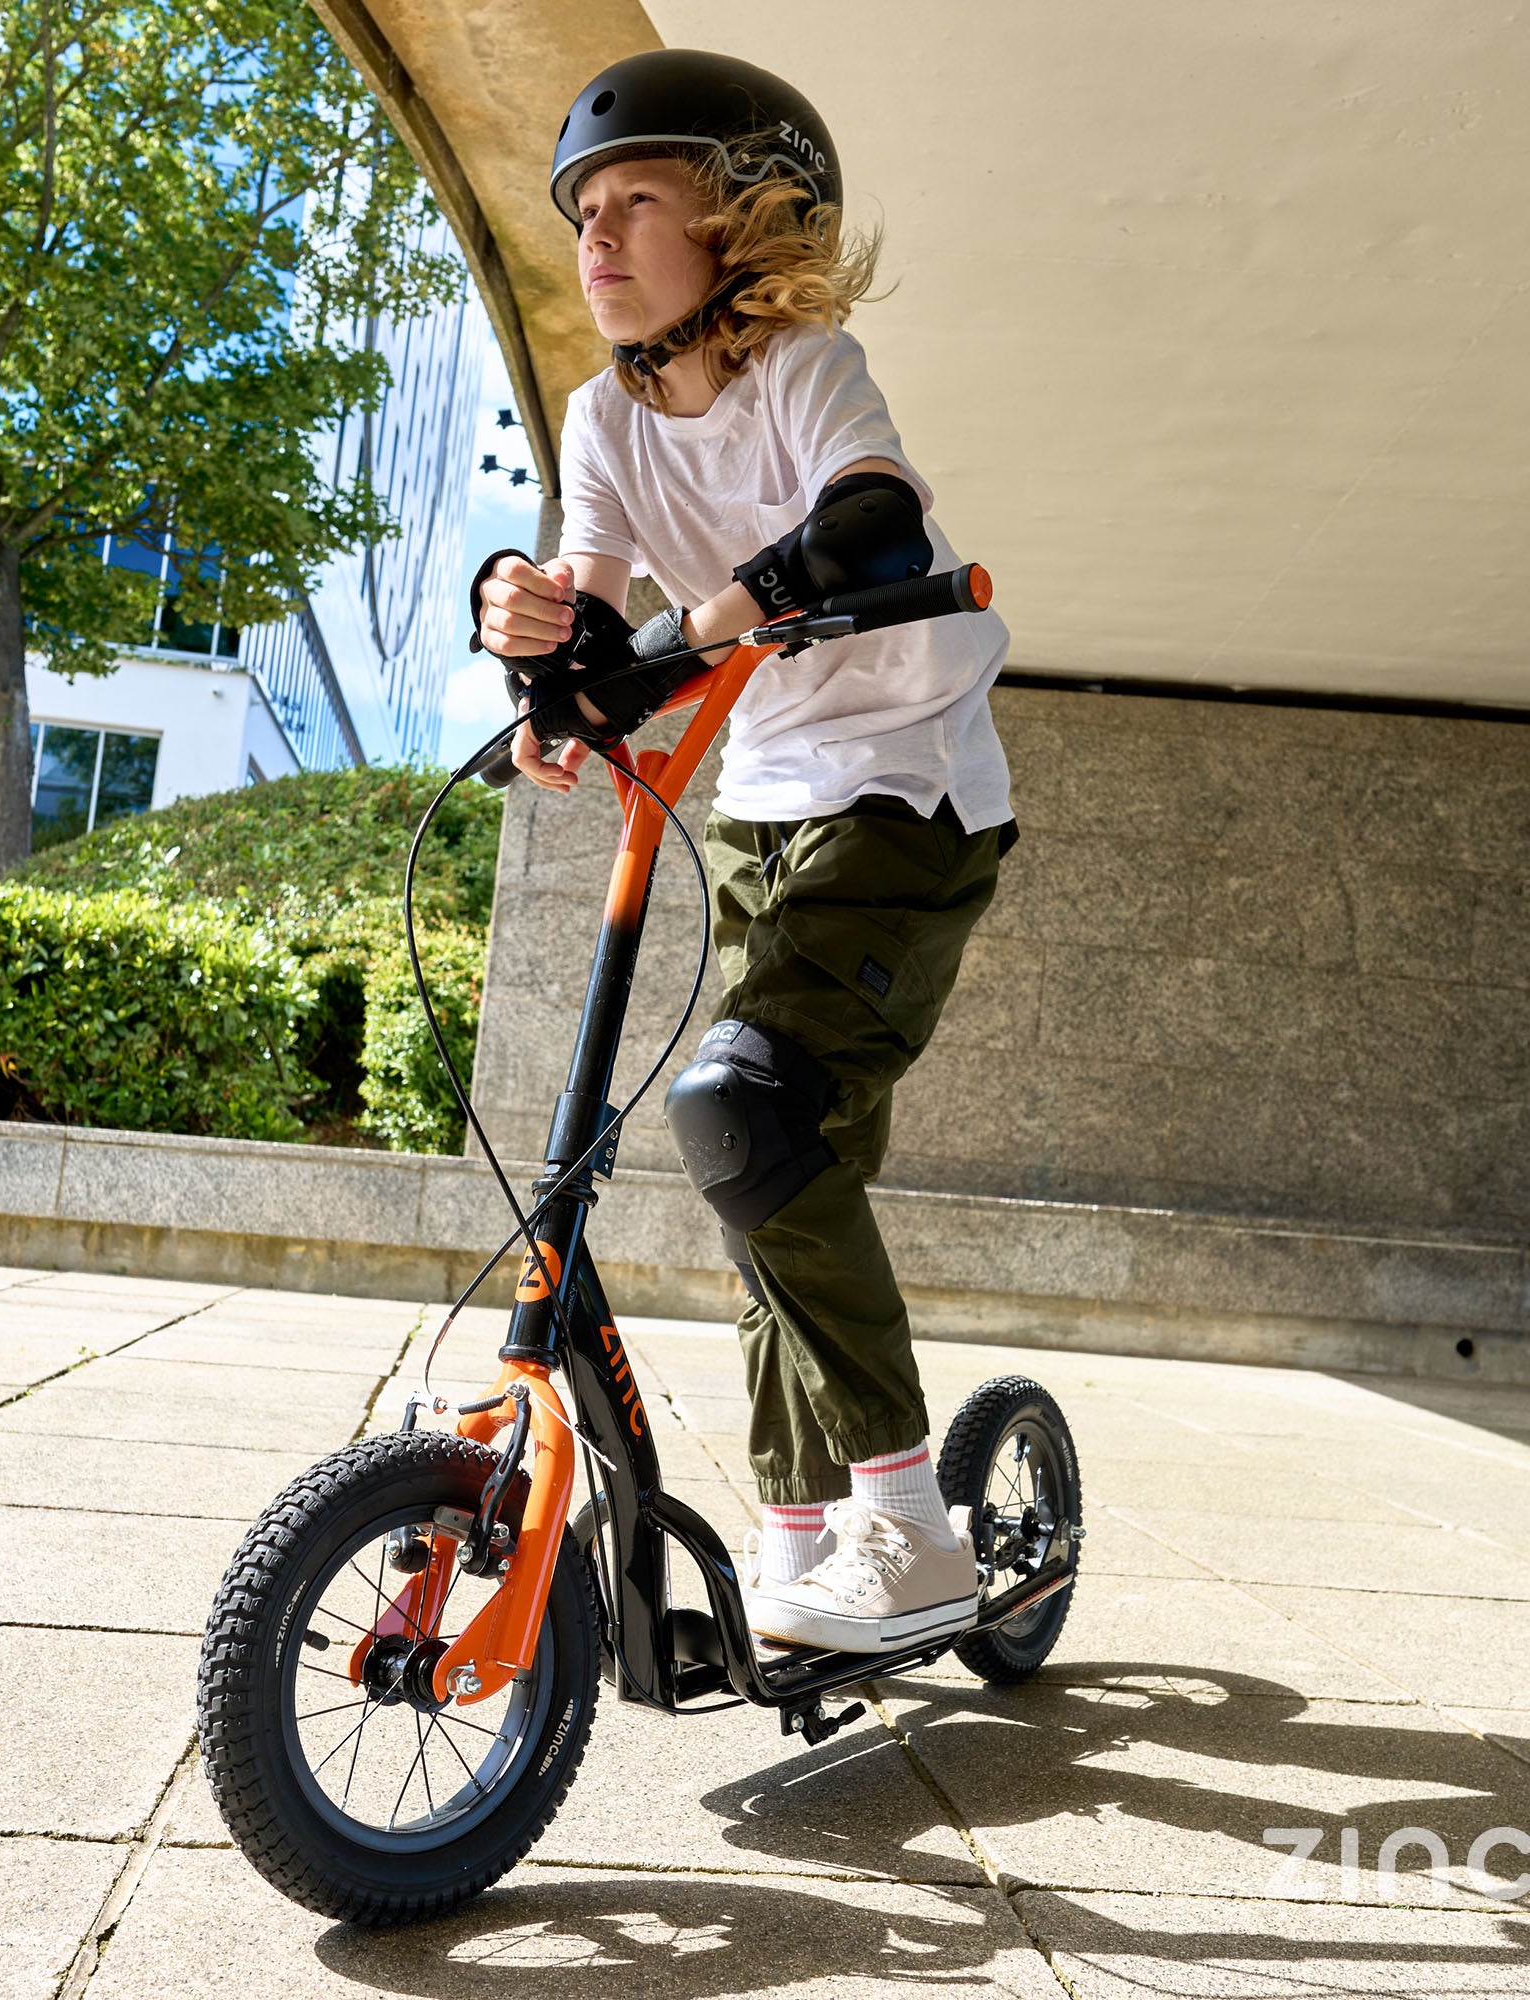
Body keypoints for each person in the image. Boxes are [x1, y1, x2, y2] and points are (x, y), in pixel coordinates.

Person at [470, 51, 1017, 1654]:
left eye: (640, 198)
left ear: (739, 222)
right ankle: (798, 1536)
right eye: (584, 209)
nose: (599, 235)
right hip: (761, 803)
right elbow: (588, 590)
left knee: (738, 1108)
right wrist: (536, 640)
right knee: (758, 1162)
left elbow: (873, 523)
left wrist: (701, 623)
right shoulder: (599, 413)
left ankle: (910, 1528)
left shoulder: (802, 368)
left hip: (904, 797)